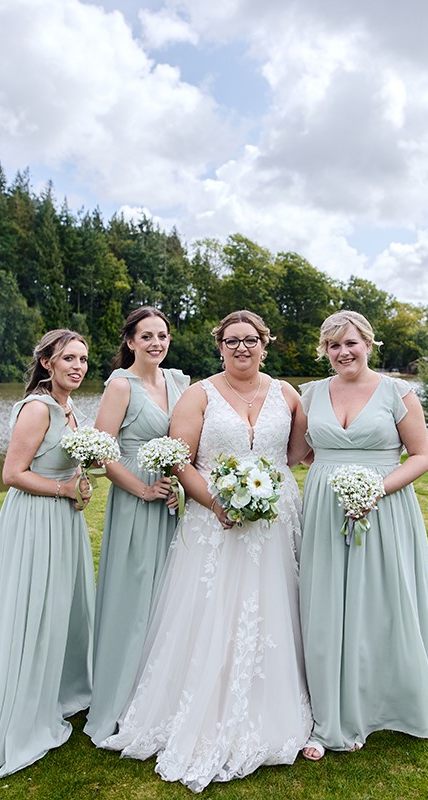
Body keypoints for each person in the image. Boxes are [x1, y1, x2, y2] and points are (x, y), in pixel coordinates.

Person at [100, 310, 313, 792]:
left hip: (275, 522)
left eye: (251, 340)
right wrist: (217, 501)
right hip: (213, 520)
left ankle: (275, 702)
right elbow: (181, 460)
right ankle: (200, 707)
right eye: (232, 341)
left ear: (264, 345)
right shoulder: (199, 394)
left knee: (275, 608)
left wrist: (269, 484)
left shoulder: (287, 394)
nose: (242, 348)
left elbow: (295, 455)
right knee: (212, 611)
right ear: (220, 347)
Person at [297, 310, 428, 760]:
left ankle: (375, 706)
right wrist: (328, 472)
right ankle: (329, 712)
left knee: (378, 605)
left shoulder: (397, 392)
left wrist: (375, 487)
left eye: (350, 343)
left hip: (383, 509)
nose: (343, 352)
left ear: (368, 344)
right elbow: (299, 452)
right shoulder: (311, 393)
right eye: (333, 345)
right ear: (324, 350)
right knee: (324, 605)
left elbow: (421, 456)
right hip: (324, 510)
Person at [0, 329, 95, 781]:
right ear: (47, 364)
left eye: (82, 359)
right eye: (68, 358)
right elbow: (12, 473)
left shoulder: (70, 409)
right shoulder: (38, 408)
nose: (77, 366)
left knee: (62, 611)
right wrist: (63, 489)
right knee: (34, 612)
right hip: (35, 522)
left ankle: (59, 691)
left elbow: (66, 466)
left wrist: (80, 485)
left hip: (64, 523)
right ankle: (20, 717)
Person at [84, 307, 190, 745]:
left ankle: (162, 694)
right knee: (134, 592)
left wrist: (179, 485)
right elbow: (102, 452)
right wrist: (144, 490)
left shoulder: (179, 381)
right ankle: (121, 696)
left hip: (172, 495)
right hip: (135, 496)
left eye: (162, 335)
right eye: (146, 336)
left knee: (171, 591)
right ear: (130, 342)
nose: (156, 343)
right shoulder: (120, 385)